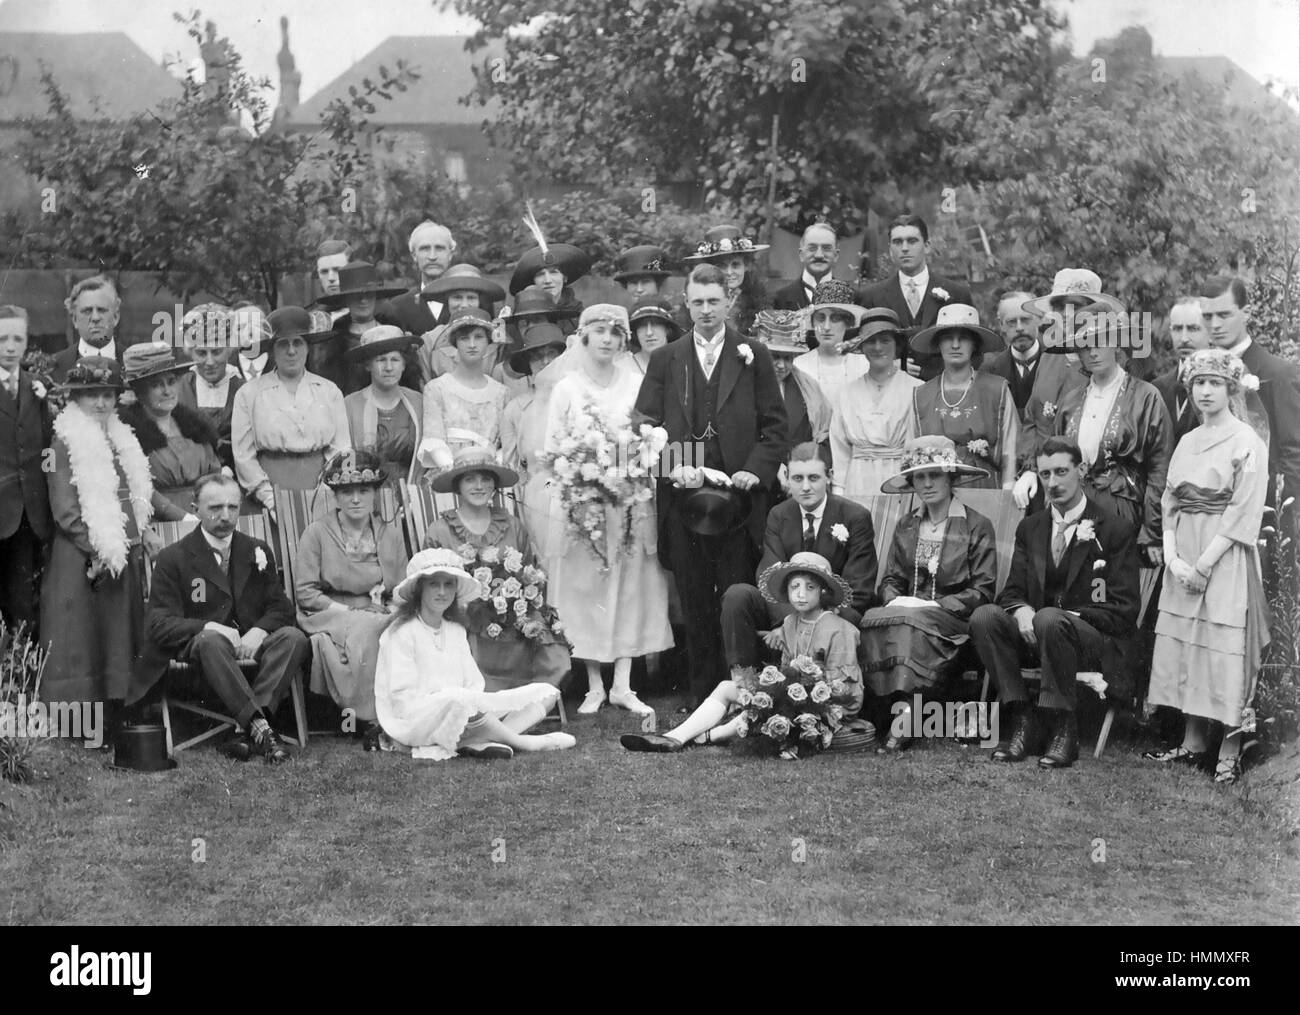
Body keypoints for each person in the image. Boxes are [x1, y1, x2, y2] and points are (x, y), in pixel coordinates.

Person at [633, 263, 789, 705]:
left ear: (729, 302)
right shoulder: (667, 358)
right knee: (695, 596)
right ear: (686, 302)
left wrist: (753, 471)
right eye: (697, 301)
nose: (705, 310)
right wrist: (674, 463)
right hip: (686, 501)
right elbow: (643, 424)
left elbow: (776, 428)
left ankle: (739, 689)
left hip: (738, 503)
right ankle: (701, 693)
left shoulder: (753, 354)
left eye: (713, 302)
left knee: (735, 595)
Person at [968, 437, 1141, 769]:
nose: (1053, 483)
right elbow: (1012, 591)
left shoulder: (1114, 530)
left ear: (1082, 470)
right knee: (985, 617)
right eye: (1045, 474)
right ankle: (1021, 718)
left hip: (1093, 640)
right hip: (1038, 634)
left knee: (1049, 618)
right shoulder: (1031, 528)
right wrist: (1020, 611)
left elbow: (1122, 608)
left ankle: (1063, 727)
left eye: (1061, 472)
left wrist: (1061, 616)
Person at [1145, 350, 1270, 785]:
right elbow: (1170, 501)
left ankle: (1230, 746)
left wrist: (1203, 564)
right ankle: (1193, 738)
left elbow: (1243, 511)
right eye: (1199, 383)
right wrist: (1175, 558)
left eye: (1215, 383)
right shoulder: (1187, 441)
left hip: (1223, 555)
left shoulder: (1246, 441)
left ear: (1231, 389)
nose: (1205, 391)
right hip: (1185, 554)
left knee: (1221, 644)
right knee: (1187, 641)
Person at [545, 304, 673, 715]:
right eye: (598, 331)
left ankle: (623, 682)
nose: (607, 339)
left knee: (630, 588)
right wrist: (581, 477)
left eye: (615, 333)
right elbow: (553, 449)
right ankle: (594, 685)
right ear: (583, 337)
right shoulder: (566, 388)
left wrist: (632, 465)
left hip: (629, 503)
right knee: (586, 591)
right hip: (585, 507)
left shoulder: (636, 382)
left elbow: (650, 438)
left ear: (623, 341)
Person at [128, 471, 307, 764]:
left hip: (250, 641)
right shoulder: (174, 557)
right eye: (215, 508)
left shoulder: (257, 550)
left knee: (294, 637)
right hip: (203, 646)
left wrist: (260, 631)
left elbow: (282, 608)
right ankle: (262, 728)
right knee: (212, 641)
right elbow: (158, 624)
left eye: (233, 507)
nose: (225, 516)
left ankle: (245, 728)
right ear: (195, 508)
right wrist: (209, 626)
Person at [621, 552, 863, 756]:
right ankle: (674, 738)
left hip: (825, 709)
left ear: (823, 592)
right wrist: (779, 690)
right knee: (729, 687)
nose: (800, 594)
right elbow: (788, 670)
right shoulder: (790, 623)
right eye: (794, 587)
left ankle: (702, 736)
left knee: (764, 705)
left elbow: (847, 691)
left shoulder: (840, 629)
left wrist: (799, 697)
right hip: (792, 700)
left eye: (810, 587)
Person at [858, 436, 998, 750]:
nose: (927, 483)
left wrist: (934, 604)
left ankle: (907, 715)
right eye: (920, 476)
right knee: (872, 617)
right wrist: (895, 598)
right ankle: (885, 710)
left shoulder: (977, 525)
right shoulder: (906, 524)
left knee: (910, 622)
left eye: (934, 474)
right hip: (907, 612)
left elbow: (982, 590)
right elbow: (891, 577)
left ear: (951, 477)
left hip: (952, 618)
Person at [374, 548, 576, 760]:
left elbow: (473, 685)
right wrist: (446, 702)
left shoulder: (455, 629)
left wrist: (467, 705)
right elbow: (402, 700)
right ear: (419, 589)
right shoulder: (400, 632)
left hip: (465, 712)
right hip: (417, 720)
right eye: (434, 584)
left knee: (546, 693)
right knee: (458, 701)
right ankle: (524, 743)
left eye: (448, 584)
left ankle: (482, 740)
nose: (442, 592)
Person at [40, 358, 151, 715]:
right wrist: (99, 548)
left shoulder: (120, 438)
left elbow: (132, 492)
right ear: (76, 399)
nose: (101, 403)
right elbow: (65, 511)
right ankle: (79, 712)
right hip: (81, 553)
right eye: (92, 396)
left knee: (116, 631)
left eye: (107, 395)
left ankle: (118, 703)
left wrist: (135, 535)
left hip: (120, 548)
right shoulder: (62, 443)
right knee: (83, 633)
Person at [422, 445, 571, 690]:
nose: (479, 486)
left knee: (554, 653)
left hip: (511, 614)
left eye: (486, 479)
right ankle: (485, 704)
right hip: (461, 617)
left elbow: (529, 575)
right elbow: (429, 586)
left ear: (494, 485)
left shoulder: (512, 525)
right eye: (470, 479)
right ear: (458, 485)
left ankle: (525, 704)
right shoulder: (440, 530)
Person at [722, 443, 877, 675]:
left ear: (830, 476)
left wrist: (801, 623)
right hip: (785, 607)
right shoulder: (779, 514)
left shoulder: (855, 516)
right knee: (737, 595)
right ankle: (744, 683)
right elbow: (769, 575)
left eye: (813, 478)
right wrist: (788, 623)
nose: (805, 487)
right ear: (787, 477)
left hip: (834, 611)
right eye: (797, 478)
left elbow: (858, 588)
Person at [294, 451, 408, 751]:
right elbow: (306, 593)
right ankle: (371, 720)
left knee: (399, 625)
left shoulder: (390, 534)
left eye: (363, 491)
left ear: (375, 494)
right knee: (369, 627)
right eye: (347, 492)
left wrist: (395, 609)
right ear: (336, 496)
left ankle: (408, 714)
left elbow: (399, 589)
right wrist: (349, 611)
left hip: (378, 608)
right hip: (328, 610)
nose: (355, 499)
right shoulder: (316, 533)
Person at [1051, 316, 1171, 556]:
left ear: (1116, 345)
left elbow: (1160, 468)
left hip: (1123, 509)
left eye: (1100, 343)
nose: (1093, 352)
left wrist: (1153, 531)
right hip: (1075, 507)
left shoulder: (1146, 397)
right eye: (1085, 346)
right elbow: (1055, 461)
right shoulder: (1071, 401)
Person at [231, 307, 352, 513]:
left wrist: (328, 492)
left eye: (298, 342)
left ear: (307, 347)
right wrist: (269, 499)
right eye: (283, 344)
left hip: (323, 493)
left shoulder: (329, 391)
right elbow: (244, 456)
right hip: (269, 495)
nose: (291, 351)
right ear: (272, 349)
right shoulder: (249, 394)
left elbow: (341, 449)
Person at [1199, 275, 1300, 510]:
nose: (1215, 325)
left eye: (1224, 315)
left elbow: (1294, 457)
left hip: (1263, 516)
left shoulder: (1279, 374)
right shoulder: (1200, 376)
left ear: (1247, 312)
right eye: (1207, 316)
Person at [983, 291, 1086, 512]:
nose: (1019, 327)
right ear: (1001, 326)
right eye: (1011, 322)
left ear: (1039, 320)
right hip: (1009, 475)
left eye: (1026, 319)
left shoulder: (1056, 357)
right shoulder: (989, 371)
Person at [831, 307, 923, 524]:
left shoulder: (917, 390)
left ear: (897, 346)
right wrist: (838, 493)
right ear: (862, 346)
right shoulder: (847, 392)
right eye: (871, 341)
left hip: (900, 478)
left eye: (885, 340)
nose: (878, 347)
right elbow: (840, 449)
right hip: (858, 479)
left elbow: (919, 446)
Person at [910, 304, 1018, 488]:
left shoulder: (996, 389)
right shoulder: (921, 395)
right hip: (935, 492)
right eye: (947, 338)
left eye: (963, 339)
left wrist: (1008, 492)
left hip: (987, 489)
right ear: (938, 344)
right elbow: (912, 453)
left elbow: (1010, 450)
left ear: (975, 344)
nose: (955, 345)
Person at [855, 214, 972, 380]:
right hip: (892, 392)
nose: (904, 248)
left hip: (944, 391)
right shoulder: (870, 296)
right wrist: (892, 365)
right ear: (890, 249)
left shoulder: (957, 293)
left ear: (927, 246)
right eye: (897, 242)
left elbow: (973, 350)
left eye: (912, 241)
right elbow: (860, 351)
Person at [118, 344, 223, 522]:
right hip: (158, 525)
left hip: (206, 517)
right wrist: (182, 517)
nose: (167, 391)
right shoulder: (128, 434)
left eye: (171, 381)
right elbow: (136, 488)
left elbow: (215, 473)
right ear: (139, 391)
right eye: (157, 385)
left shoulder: (196, 427)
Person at [0, 305, 52, 632]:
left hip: (25, 518)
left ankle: (20, 679)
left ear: (27, 342)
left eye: (17, 338)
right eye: (2, 338)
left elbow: (46, 446)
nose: (9, 346)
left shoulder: (37, 388)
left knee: (21, 606)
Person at [500, 322, 571, 557]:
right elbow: (511, 465)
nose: (545, 363)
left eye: (552, 355)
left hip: (577, 494)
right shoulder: (515, 409)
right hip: (535, 497)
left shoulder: (579, 400)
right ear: (528, 365)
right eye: (537, 357)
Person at [415, 307, 510, 471]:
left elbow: (507, 442)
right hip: (447, 475)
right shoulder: (436, 389)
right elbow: (433, 438)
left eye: (479, 337)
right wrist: (454, 473)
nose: (472, 344)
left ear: (488, 342)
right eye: (464, 338)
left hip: (490, 475)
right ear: (455, 343)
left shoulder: (501, 393)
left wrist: (493, 468)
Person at [342, 325, 424, 487]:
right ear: (368, 365)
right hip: (365, 492)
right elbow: (345, 458)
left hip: (413, 491)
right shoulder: (350, 404)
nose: (388, 367)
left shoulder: (418, 402)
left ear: (404, 365)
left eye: (395, 360)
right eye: (381, 360)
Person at [310, 261, 406, 394]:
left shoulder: (396, 335)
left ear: (375, 296)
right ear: (346, 299)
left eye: (368, 294)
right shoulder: (330, 345)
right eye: (356, 295)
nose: (363, 300)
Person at [751, 310, 831, 468]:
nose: (781, 365)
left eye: (787, 358)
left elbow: (826, 435)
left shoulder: (808, 387)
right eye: (774, 356)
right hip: (756, 475)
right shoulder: (745, 387)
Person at [177, 303, 243, 472]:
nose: (210, 362)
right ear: (190, 352)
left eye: (216, 352)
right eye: (201, 353)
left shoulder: (244, 390)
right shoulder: (178, 389)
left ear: (229, 350)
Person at [414, 264, 506, 383]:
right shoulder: (430, 340)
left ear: (480, 301)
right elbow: (424, 386)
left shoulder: (496, 336)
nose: (463, 304)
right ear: (447, 300)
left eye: (471, 298)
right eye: (457, 297)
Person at [681, 224, 772, 335]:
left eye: (735, 265)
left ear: (746, 266)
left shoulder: (759, 302)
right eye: (722, 266)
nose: (729, 273)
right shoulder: (697, 300)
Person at [793, 280, 870, 408]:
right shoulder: (799, 366)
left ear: (848, 323)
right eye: (821, 318)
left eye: (835, 319)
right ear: (813, 323)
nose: (827, 327)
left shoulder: (864, 365)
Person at [508, 218, 590, 337]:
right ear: (533, 282)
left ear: (564, 278)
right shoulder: (522, 313)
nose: (548, 280)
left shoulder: (581, 315)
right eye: (540, 275)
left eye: (553, 273)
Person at [1150, 297, 1212, 446]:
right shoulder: (1157, 388)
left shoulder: (1225, 385)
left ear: (1210, 332)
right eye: (1177, 329)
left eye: (1193, 329)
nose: (1184, 338)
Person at [389, 221, 458, 337]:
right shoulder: (397, 307)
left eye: (439, 248)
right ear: (414, 256)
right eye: (425, 249)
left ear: (450, 254)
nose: (432, 256)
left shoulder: (470, 301)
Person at [52, 276, 128, 380]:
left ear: (116, 317)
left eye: (102, 310)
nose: (95, 318)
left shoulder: (133, 363)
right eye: (87, 311)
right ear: (74, 319)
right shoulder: (55, 367)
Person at [772, 223, 841, 310]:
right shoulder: (778, 299)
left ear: (836, 255)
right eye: (812, 248)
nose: (819, 255)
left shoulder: (855, 300)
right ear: (801, 255)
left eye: (826, 248)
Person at [624, 295, 683, 377]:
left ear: (668, 330)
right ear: (635, 333)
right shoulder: (622, 369)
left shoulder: (685, 366)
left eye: (655, 324)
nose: (649, 333)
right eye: (642, 326)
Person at [314, 238, 352, 319]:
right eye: (324, 272)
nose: (331, 278)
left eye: (337, 270)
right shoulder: (316, 320)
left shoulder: (377, 312)